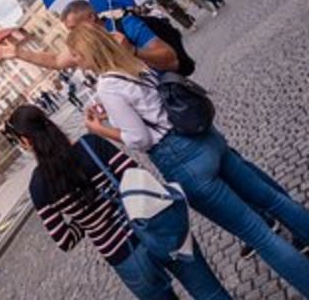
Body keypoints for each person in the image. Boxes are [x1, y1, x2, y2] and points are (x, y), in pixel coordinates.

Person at [66, 24, 309, 296]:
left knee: (258, 235)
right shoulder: (131, 63)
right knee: (273, 200)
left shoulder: (108, 87)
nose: (76, 61)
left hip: (180, 158)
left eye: (75, 54)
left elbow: (140, 139)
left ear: (87, 51)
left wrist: (101, 130)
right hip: (203, 138)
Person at [5, 105, 230, 300]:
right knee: (209, 293)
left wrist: (86, 219)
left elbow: (65, 240)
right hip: (157, 227)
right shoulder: (91, 145)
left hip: (125, 257)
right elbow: (136, 175)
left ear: (25, 141)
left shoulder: (39, 187)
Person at [0, 0, 180, 74]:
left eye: (74, 27)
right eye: (69, 30)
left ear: (91, 17)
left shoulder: (127, 25)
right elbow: (57, 60)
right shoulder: (86, 46)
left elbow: (171, 59)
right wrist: (18, 52)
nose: (73, 34)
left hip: (175, 101)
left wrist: (133, 51)